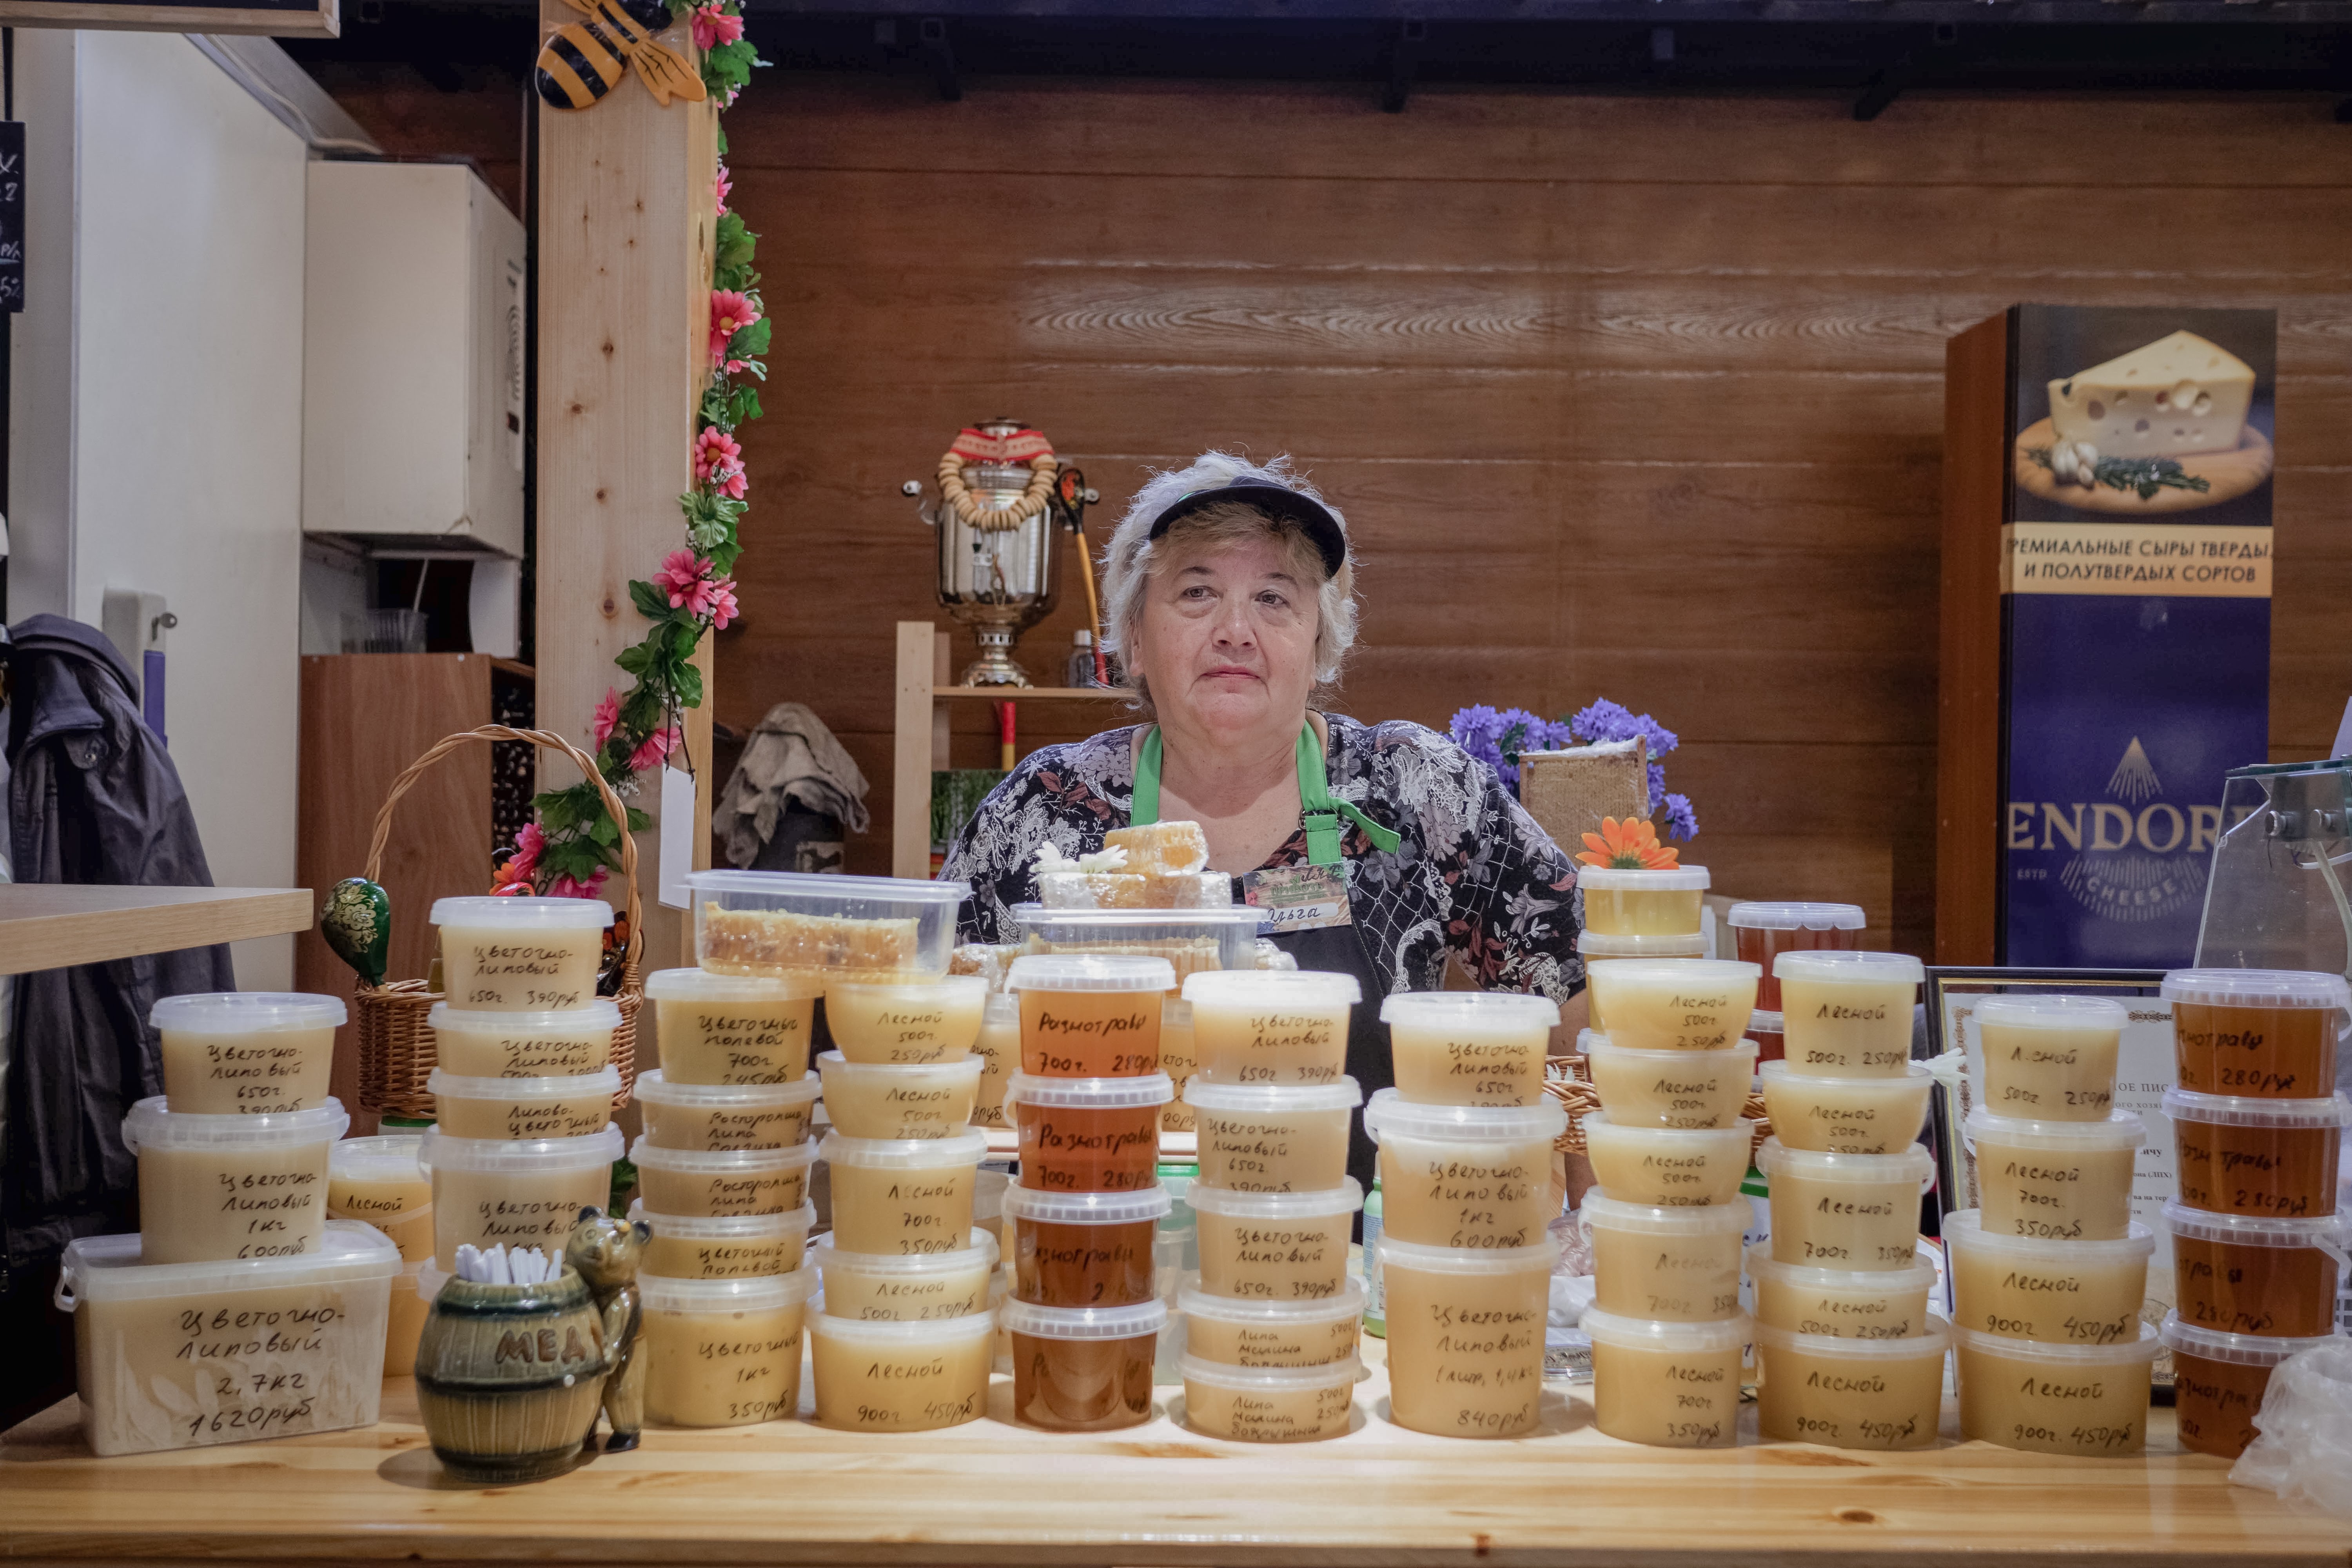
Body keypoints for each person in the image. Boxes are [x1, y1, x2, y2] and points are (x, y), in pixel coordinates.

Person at [940, 452, 1588, 1190]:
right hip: (1102, 1267)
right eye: (1196, 592)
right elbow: (938, 1051)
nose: (1236, 631)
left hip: (1359, 1275)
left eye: (1275, 599)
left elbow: (1577, 993)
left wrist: (1590, 1235)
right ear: (1135, 641)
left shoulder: (1416, 788)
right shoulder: (1043, 807)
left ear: (1320, 646)